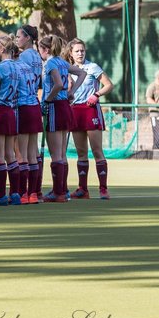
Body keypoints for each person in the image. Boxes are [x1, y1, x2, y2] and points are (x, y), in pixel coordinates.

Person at [68, 38, 114, 199]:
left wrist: (96, 94)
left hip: (90, 110)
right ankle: (83, 189)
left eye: (82, 50)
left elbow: (109, 84)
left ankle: (103, 189)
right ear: (71, 53)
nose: (80, 53)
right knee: (81, 152)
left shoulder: (92, 67)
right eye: (77, 51)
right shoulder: (69, 69)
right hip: (75, 111)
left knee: (97, 151)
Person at [0, 38, 24, 206]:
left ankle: (0, 195)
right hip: (10, 111)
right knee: (11, 155)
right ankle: (15, 193)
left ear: (2, 48)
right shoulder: (17, 67)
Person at [39, 34, 73, 202]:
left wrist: (47, 99)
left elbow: (58, 84)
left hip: (55, 107)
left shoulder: (51, 62)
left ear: (45, 50)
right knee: (62, 153)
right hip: (65, 106)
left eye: (40, 50)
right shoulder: (62, 62)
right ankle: (64, 190)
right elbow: (80, 73)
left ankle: (57, 192)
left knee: (56, 155)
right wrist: (71, 92)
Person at [15, 25, 45, 204]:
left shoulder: (24, 56)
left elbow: (19, 77)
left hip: (24, 104)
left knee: (23, 153)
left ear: (27, 38)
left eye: (19, 36)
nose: (17, 39)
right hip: (34, 102)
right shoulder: (36, 55)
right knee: (32, 152)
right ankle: (33, 193)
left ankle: (23, 193)